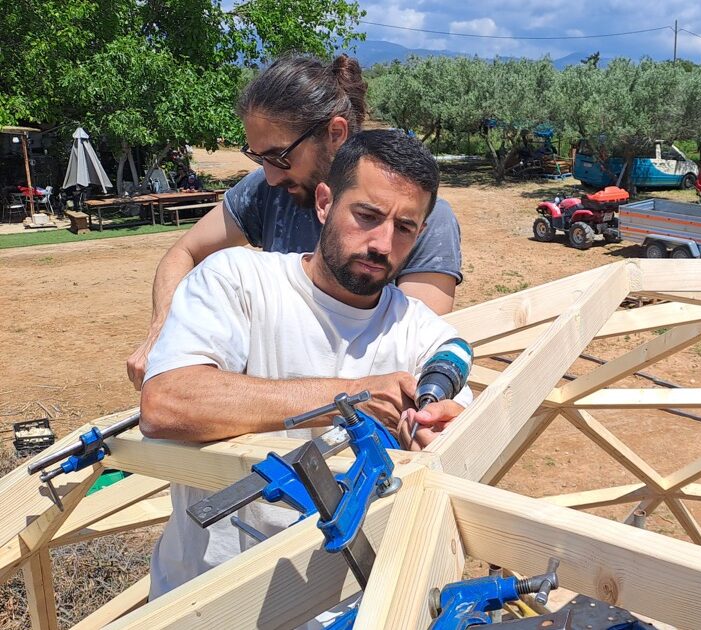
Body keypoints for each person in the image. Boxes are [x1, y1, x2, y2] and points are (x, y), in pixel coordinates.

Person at [138, 129, 471, 598]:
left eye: (404, 228)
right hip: (202, 598)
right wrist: (351, 398)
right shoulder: (240, 280)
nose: (381, 243)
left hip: (341, 610)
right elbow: (166, 403)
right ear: (323, 203)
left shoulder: (426, 335)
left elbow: (453, 454)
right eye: (367, 215)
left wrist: (439, 436)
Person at [126, 53, 463, 387]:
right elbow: (184, 253)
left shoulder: (418, 222)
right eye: (259, 157)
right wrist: (164, 330)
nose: (270, 175)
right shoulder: (267, 189)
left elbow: (409, 359)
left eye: (279, 156)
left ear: (335, 132)